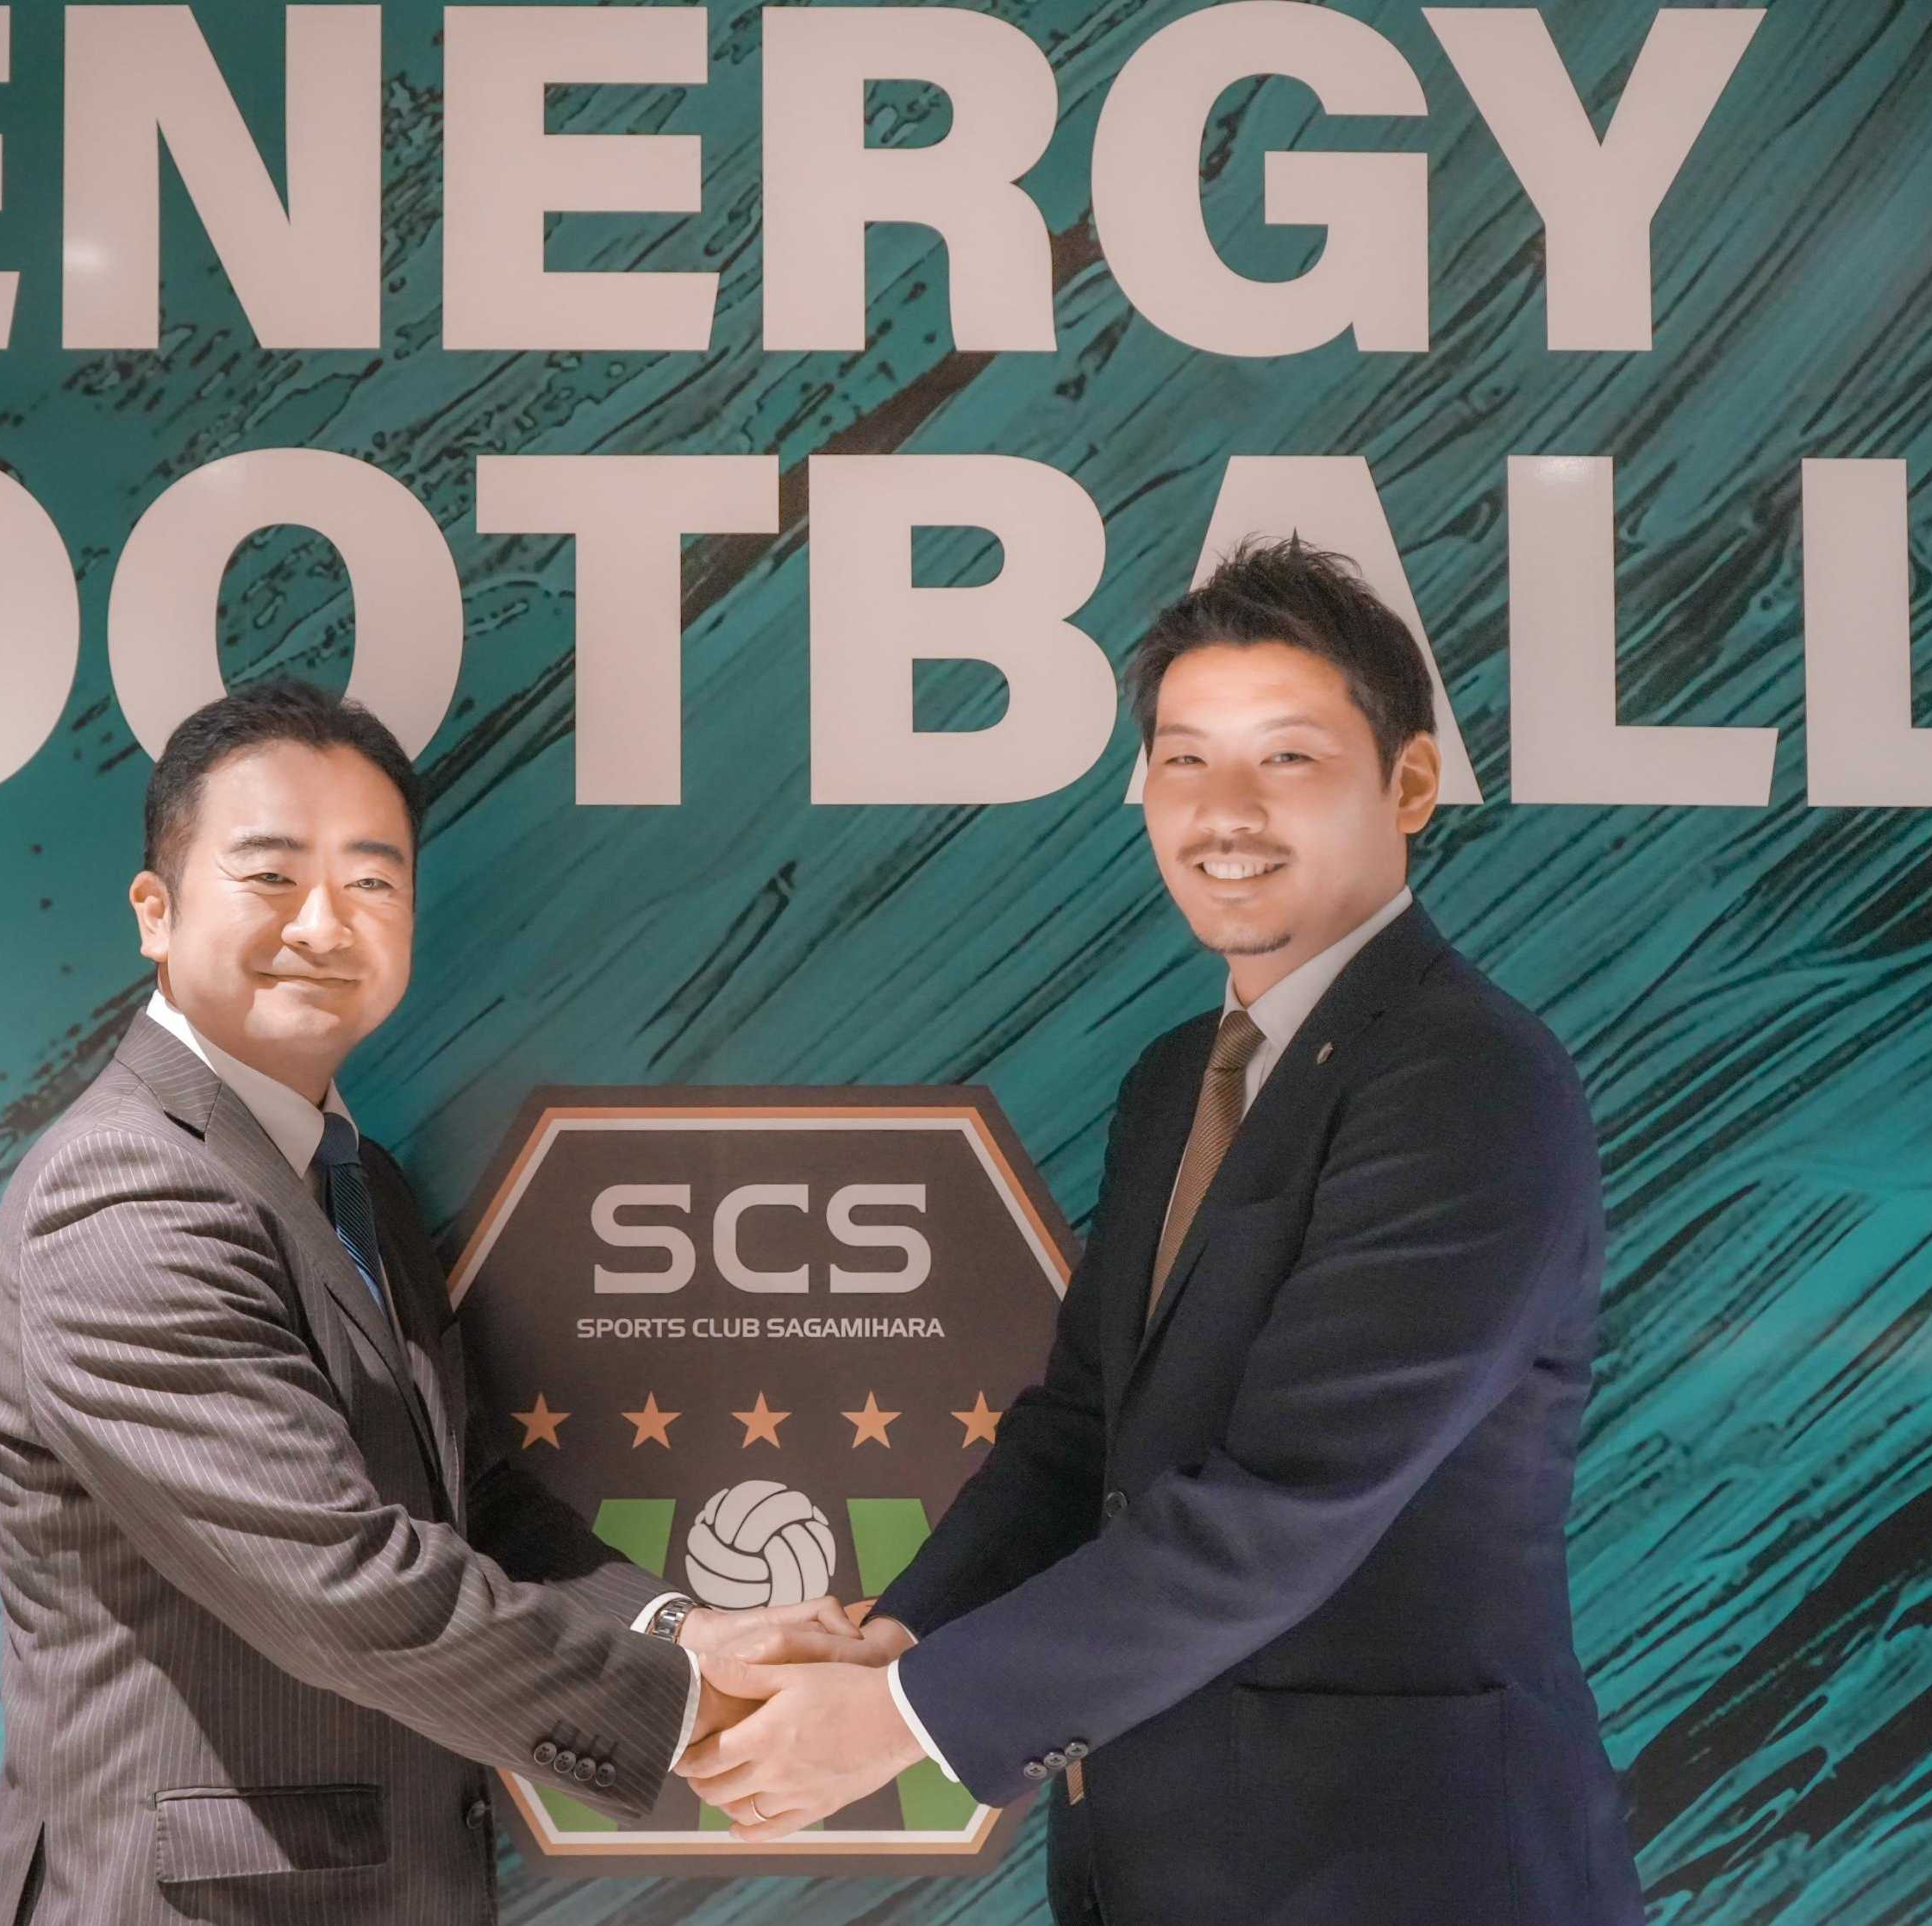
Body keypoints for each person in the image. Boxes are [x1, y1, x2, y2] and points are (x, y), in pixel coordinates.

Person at [680, 537, 1644, 1926]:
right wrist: (894, 1635)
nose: (1223, 812)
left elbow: (1282, 1506)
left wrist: (901, 1717)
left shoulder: (1466, 1079)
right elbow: (1081, 1432)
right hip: (1158, 1868)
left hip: (1403, 1873)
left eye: (1287, 758)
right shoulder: (1173, 1081)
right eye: (1183, 761)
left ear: (1410, 783)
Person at [0, 681, 841, 1925]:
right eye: (271, 876)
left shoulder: (352, 1176)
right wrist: (685, 1702)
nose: (325, 923)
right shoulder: (126, 1191)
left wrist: (681, 1627)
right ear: (155, 911)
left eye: (371, 881)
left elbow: (462, 1499)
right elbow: (339, 1580)